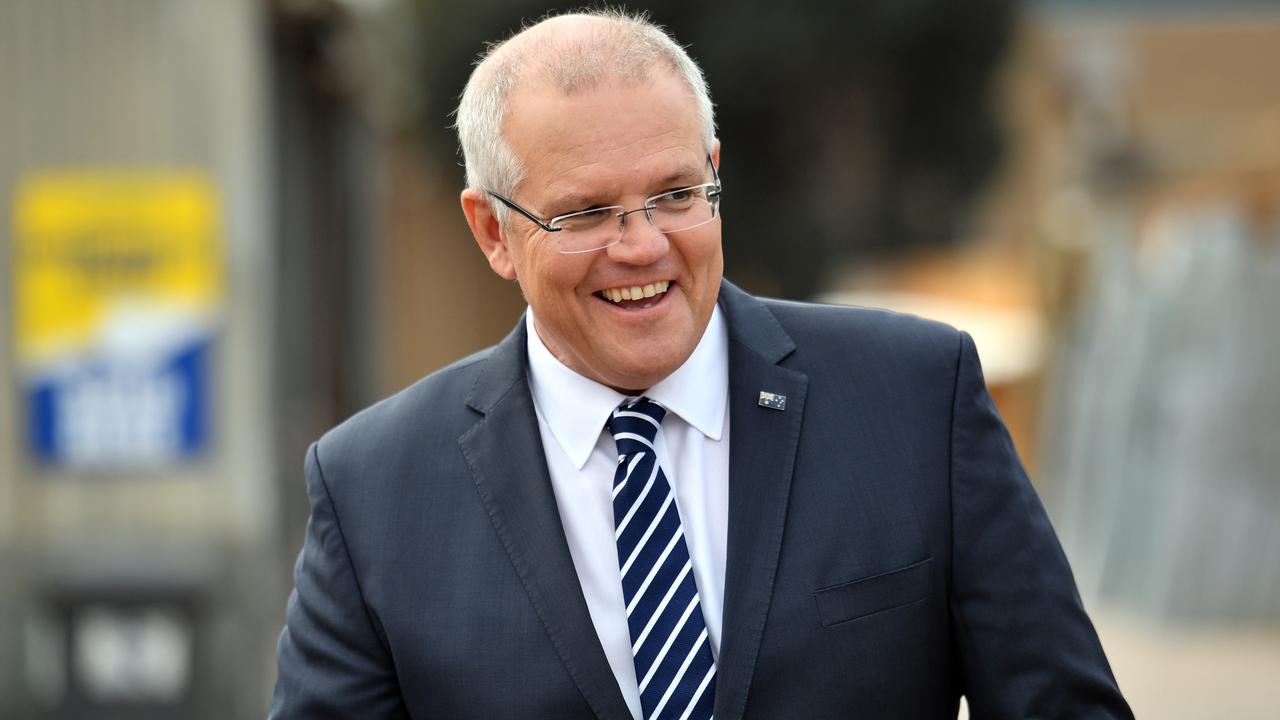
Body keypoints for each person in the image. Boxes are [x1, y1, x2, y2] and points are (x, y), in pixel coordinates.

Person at [271, 10, 1131, 720]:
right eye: (587, 213)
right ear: (493, 231)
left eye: (676, 195)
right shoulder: (374, 492)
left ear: (714, 175)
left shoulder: (913, 400)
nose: (641, 247)